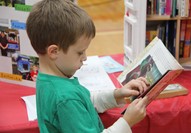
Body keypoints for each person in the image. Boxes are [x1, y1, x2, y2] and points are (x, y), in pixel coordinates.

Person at [26, 0, 150, 132]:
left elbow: (84, 100)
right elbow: (74, 101)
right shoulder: (66, 98)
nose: (84, 58)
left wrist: (117, 94)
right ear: (54, 52)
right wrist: (127, 121)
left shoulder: (49, 79)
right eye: (80, 52)